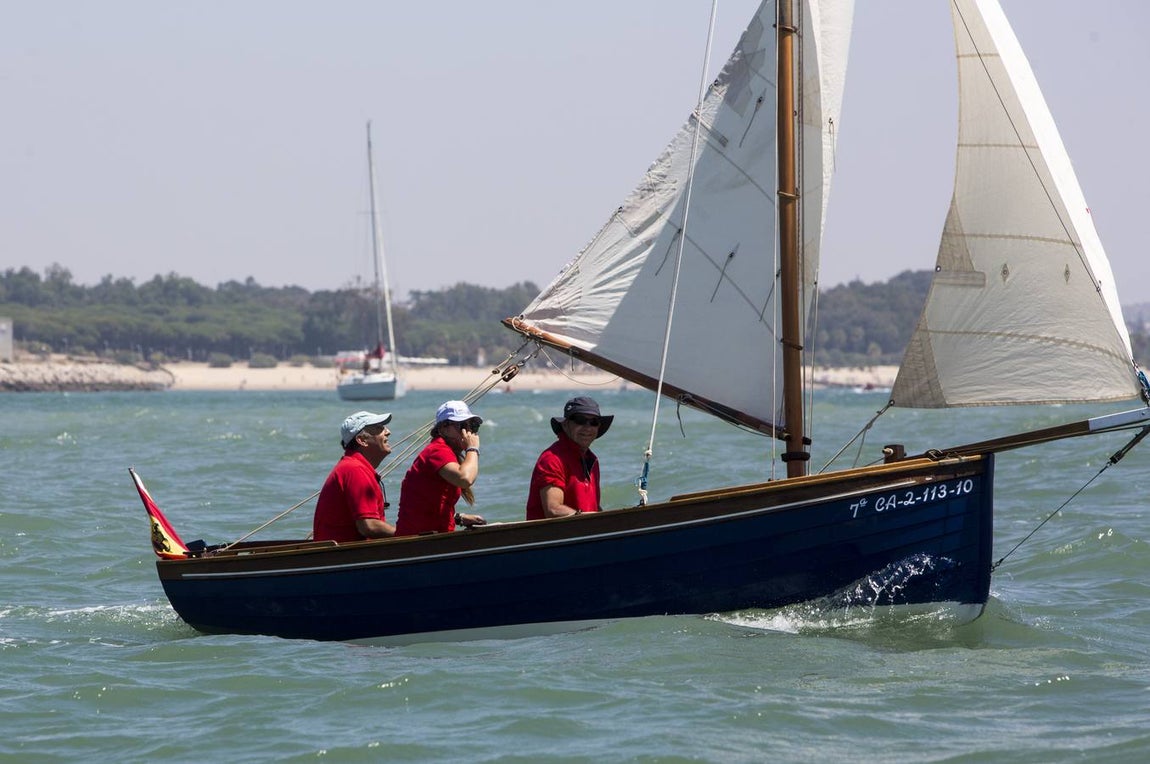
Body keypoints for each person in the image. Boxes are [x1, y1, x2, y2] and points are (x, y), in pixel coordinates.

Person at [395, 400, 487, 536]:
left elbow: (429, 504)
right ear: (443, 429)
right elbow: (465, 479)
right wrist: (472, 448)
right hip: (419, 540)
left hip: (431, 535)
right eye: (462, 426)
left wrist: (458, 518)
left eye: (472, 426)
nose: (468, 432)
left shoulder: (445, 452)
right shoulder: (437, 451)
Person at [313, 410, 396, 543]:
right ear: (362, 440)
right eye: (379, 428)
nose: (388, 432)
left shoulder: (353, 466)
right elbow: (369, 526)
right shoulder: (355, 469)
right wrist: (406, 533)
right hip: (342, 553)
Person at [526, 396, 613, 520]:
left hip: (586, 530)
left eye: (594, 422)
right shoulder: (552, 459)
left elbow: (594, 509)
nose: (588, 428)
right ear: (565, 425)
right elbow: (553, 509)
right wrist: (591, 520)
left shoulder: (592, 460)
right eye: (580, 420)